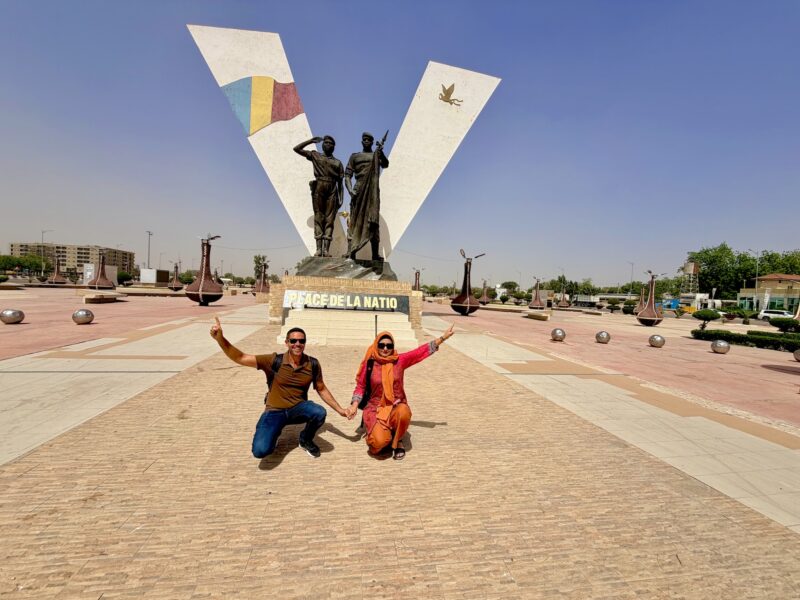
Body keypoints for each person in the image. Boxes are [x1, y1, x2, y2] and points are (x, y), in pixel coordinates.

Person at [209, 318, 355, 458]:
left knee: (319, 412)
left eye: (301, 341)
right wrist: (220, 339)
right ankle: (273, 431)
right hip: (274, 411)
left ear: (304, 343)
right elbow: (240, 357)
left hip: (298, 408)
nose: (297, 344)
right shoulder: (274, 361)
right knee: (260, 451)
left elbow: (321, 388)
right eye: (293, 341)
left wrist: (340, 410)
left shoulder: (312, 364)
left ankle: (305, 439)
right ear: (286, 343)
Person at [350, 324, 455, 460]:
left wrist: (442, 338)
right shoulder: (370, 364)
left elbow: (419, 353)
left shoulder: (399, 360)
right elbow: (361, 386)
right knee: (377, 444)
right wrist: (354, 405)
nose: (386, 349)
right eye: (382, 345)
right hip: (375, 408)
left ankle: (397, 440)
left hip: (396, 406)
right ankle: (386, 435)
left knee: (404, 412)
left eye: (389, 345)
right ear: (376, 346)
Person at [293, 135, 344, 258]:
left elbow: (340, 183)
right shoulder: (315, 155)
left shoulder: (338, 163)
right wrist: (310, 141)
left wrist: (341, 199)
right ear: (322, 144)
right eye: (326, 142)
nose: (328, 145)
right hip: (319, 187)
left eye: (331, 143)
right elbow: (297, 149)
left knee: (329, 220)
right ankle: (318, 249)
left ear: (334, 147)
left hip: (332, 189)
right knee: (319, 218)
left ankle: (326, 250)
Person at [344, 131, 388, 261]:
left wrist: (381, 152)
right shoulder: (355, 157)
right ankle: (351, 252)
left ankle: (375, 254)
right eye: (364, 139)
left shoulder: (376, 155)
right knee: (354, 221)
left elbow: (385, 164)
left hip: (372, 193)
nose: (366, 141)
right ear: (362, 141)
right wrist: (350, 190)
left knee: (373, 222)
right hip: (358, 191)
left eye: (369, 140)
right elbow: (347, 175)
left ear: (372, 142)